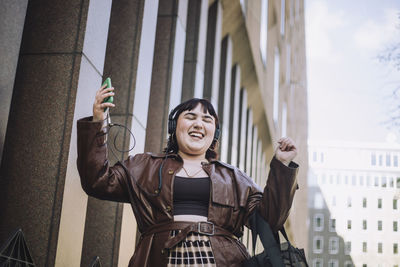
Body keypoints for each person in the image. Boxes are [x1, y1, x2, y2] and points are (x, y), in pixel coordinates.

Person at [77, 84, 299, 267]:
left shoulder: (235, 178)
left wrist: (281, 165)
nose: (198, 124)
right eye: (190, 116)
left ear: (214, 134)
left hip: (222, 261)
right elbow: (97, 181)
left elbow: (269, 221)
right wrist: (98, 122)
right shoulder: (143, 166)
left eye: (207, 120)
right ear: (174, 126)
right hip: (158, 258)